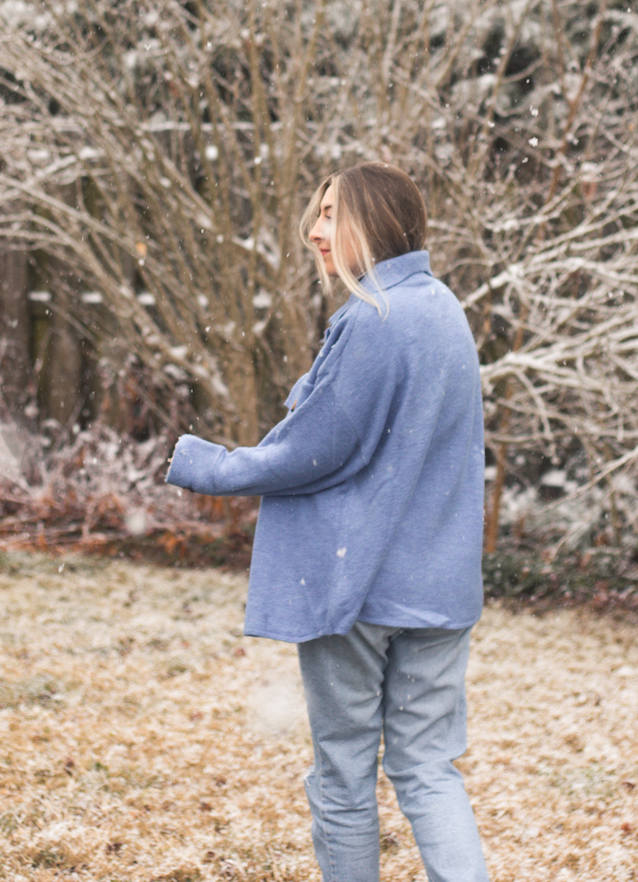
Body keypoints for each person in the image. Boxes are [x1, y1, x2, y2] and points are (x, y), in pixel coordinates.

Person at [163, 161, 489, 882]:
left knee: (342, 775)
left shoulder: (377, 317)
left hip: (360, 587)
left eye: (331, 212)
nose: (315, 229)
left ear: (374, 221)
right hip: (441, 589)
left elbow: (311, 452)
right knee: (429, 767)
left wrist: (206, 464)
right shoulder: (442, 309)